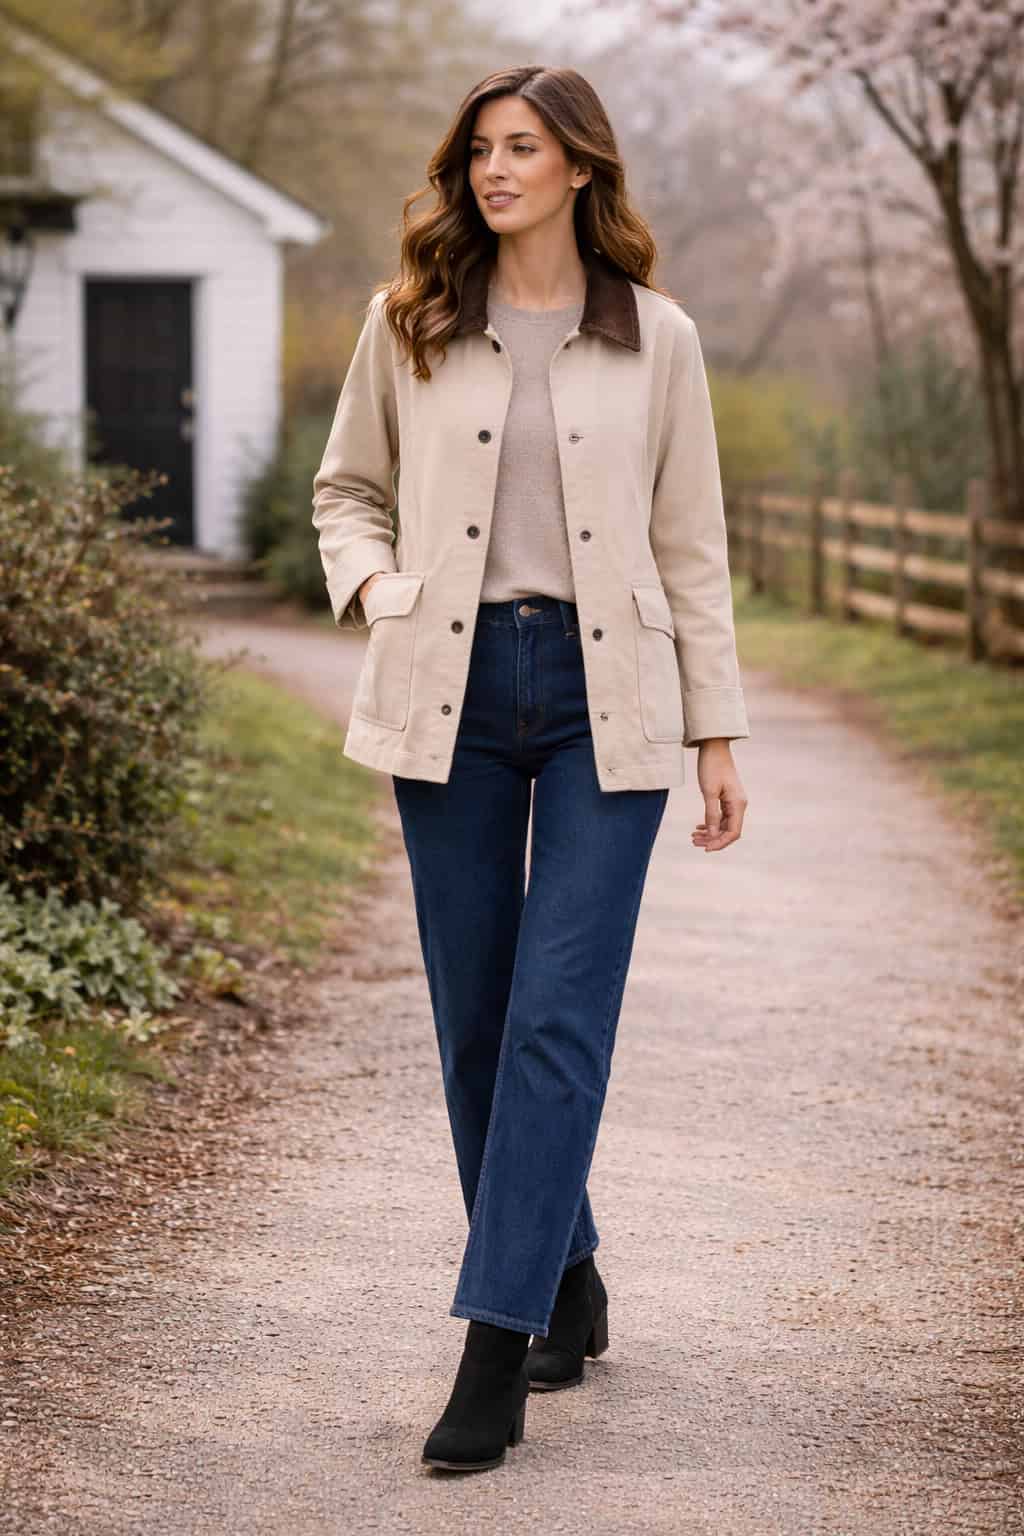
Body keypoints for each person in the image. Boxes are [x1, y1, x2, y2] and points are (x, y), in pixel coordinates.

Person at [311, 64, 751, 1474]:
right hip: (445, 689)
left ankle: (492, 1343)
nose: (494, 171)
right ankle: (568, 1272)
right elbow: (346, 491)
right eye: (480, 151)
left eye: (522, 149)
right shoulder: (414, 321)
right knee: (478, 1022)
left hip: (601, 701)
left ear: (578, 169)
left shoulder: (659, 340)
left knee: (560, 1014)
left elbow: (693, 545)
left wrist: (719, 732)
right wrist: (375, 585)